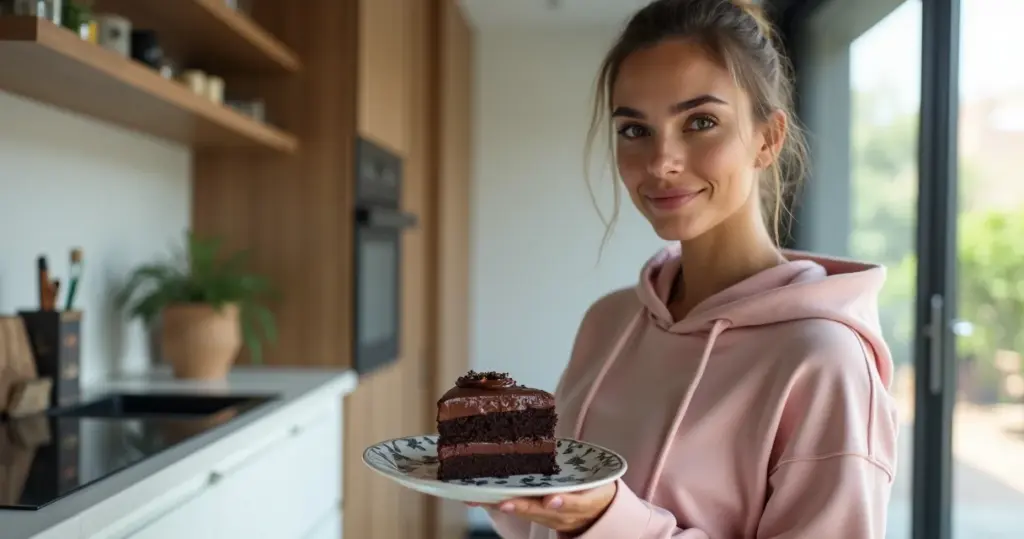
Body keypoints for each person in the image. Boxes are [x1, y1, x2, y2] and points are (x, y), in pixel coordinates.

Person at [471, 0, 899, 537]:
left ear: (768, 139)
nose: (660, 161)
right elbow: (552, 523)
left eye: (700, 122)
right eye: (634, 130)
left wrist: (610, 521)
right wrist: (508, 488)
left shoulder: (823, 361)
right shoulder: (609, 321)